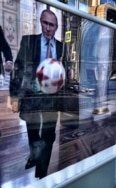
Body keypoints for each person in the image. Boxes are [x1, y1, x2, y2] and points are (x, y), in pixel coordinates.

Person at [9, 9, 63, 179]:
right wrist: (14, 96)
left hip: (52, 98)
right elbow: (18, 69)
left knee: (48, 134)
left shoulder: (62, 47)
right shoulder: (28, 42)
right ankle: (34, 156)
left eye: (52, 25)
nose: (48, 28)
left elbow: (65, 69)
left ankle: (41, 173)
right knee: (32, 130)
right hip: (31, 95)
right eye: (45, 23)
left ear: (56, 27)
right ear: (41, 22)